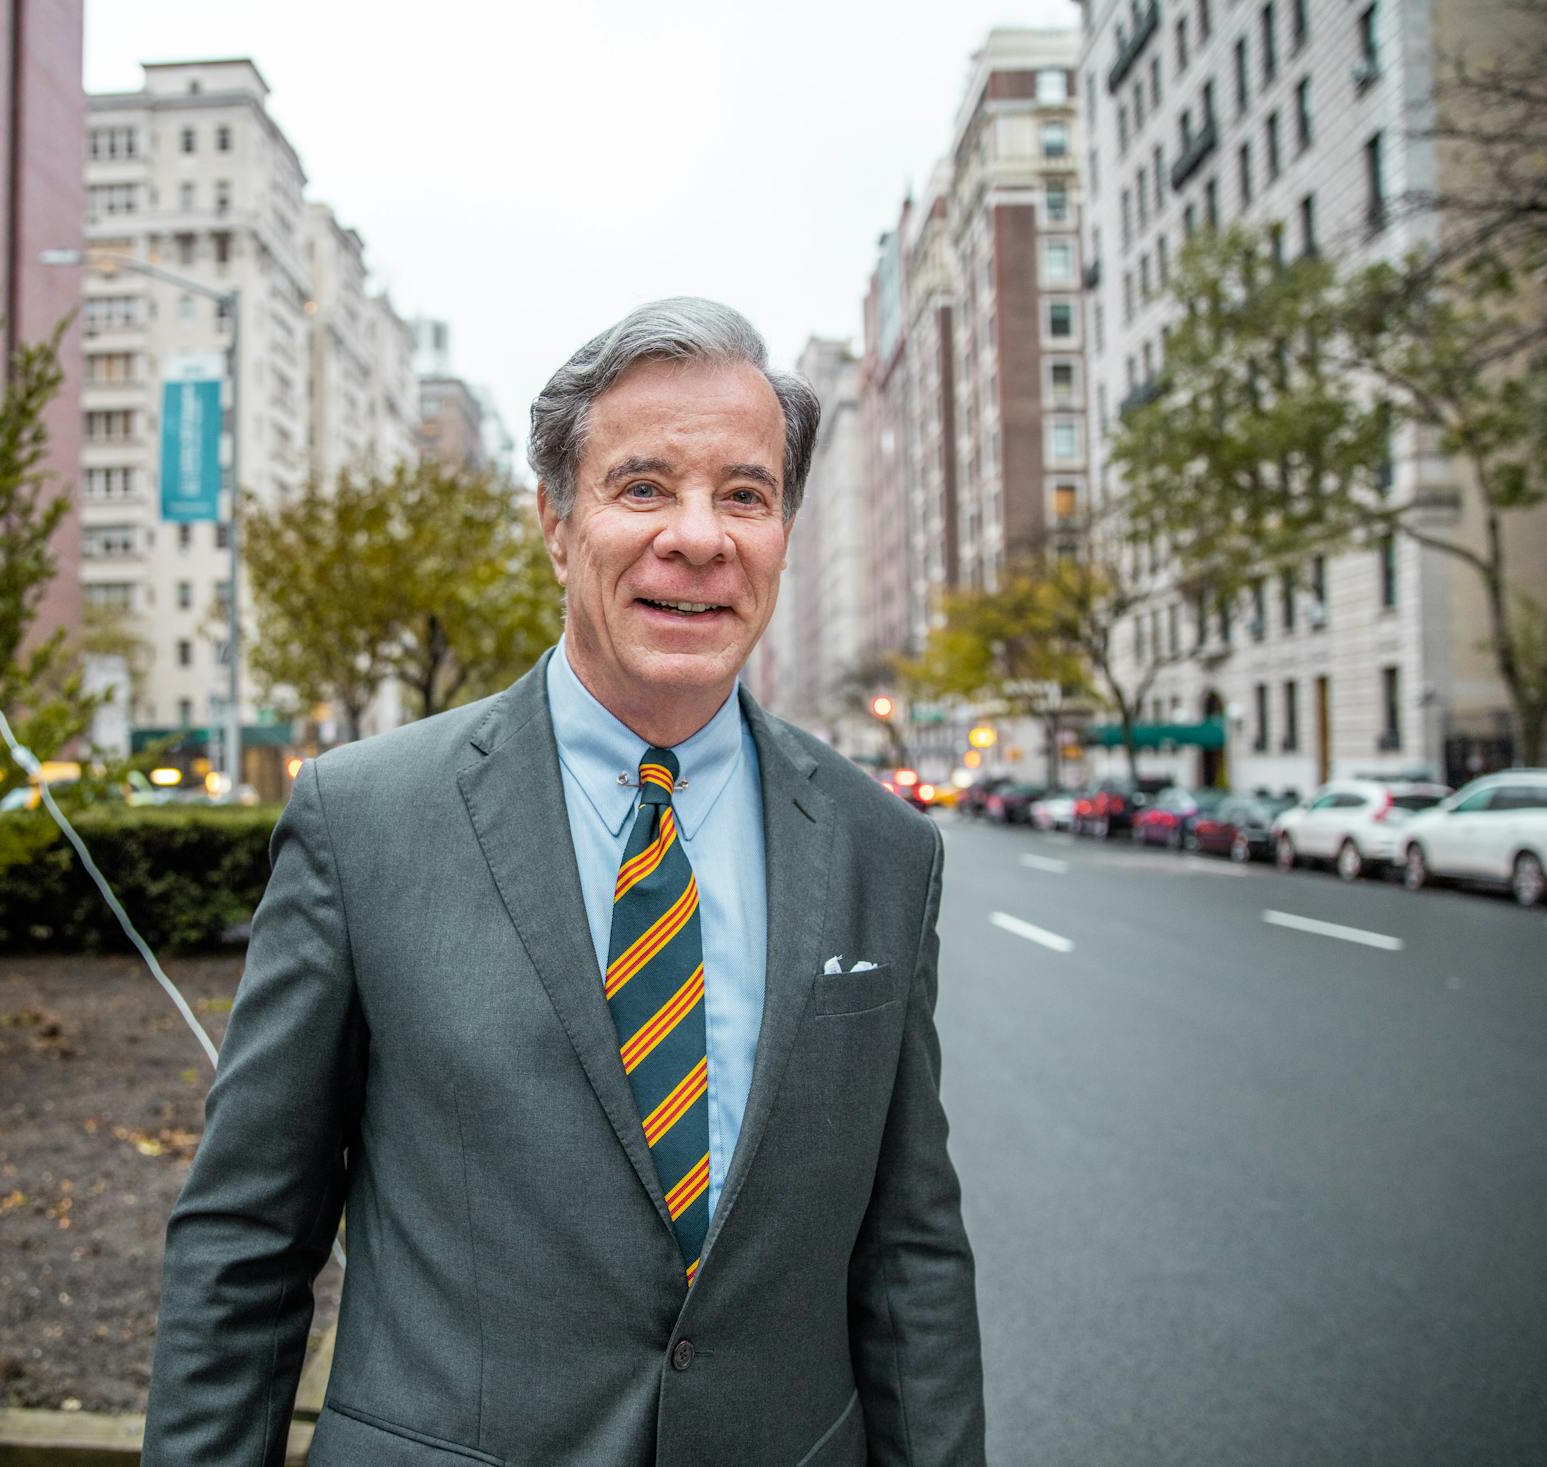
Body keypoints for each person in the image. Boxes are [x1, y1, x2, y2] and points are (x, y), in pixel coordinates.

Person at [142, 298, 983, 1467]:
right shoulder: (364, 819)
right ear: (554, 523)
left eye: (743, 495)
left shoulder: (884, 848)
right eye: (642, 487)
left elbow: (910, 1257)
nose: (698, 538)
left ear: (784, 528)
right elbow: (246, 1241)